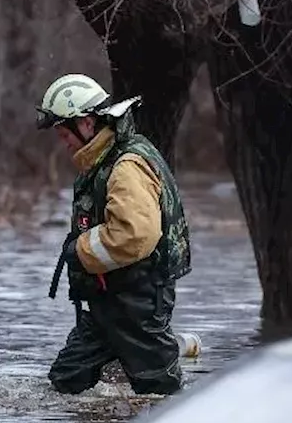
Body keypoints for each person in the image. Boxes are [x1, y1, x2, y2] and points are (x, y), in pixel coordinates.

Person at [36, 73, 192, 396]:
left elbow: (134, 235)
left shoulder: (126, 166)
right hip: (108, 302)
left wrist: (80, 251)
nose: (62, 141)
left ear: (88, 124)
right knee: (66, 382)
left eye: (64, 132)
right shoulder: (102, 161)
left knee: (160, 393)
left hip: (138, 303)